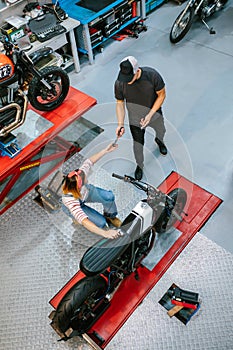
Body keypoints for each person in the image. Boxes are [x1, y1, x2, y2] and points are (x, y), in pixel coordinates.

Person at [114, 56, 168, 181]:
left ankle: (159, 140)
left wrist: (149, 115)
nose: (126, 81)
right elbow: (119, 102)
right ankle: (140, 165)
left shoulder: (152, 75)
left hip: (154, 113)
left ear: (137, 71)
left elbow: (161, 95)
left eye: (129, 78)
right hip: (135, 118)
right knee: (138, 145)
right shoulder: (120, 82)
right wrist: (120, 124)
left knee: (162, 131)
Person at [61, 143, 122, 239]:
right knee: (101, 223)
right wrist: (105, 233)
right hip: (77, 203)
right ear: (79, 185)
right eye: (85, 178)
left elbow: (88, 162)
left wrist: (105, 150)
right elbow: (85, 221)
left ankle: (110, 217)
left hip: (86, 193)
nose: (87, 177)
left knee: (109, 197)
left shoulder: (79, 175)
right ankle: (75, 218)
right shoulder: (69, 200)